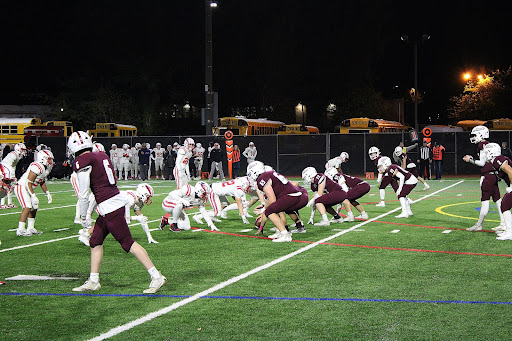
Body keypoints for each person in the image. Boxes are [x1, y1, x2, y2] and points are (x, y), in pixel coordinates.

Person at [67, 131, 166, 294]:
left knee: (128, 243)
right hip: (113, 201)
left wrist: (84, 216)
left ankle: (156, 276)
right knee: (95, 241)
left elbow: (84, 193)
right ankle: (93, 280)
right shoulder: (101, 155)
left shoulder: (83, 160)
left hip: (109, 206)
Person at [248, 162, 308, 242]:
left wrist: (264, 209)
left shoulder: (262, 178)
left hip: (291, 195)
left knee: (269, 211)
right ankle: (281, 231)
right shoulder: (270, 173)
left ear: (254, 172)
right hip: (293, 194)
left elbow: (272, 199)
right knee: (275, 209)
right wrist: (264, 205)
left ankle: (285, 234)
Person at [463, 126, 504, 231]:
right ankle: (503, 223)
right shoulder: (489, 144)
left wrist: (470, 160)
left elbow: (482, 163)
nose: (473, 137)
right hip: (494, 174)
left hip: (488, 176)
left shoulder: (482, 145)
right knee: (497, 200)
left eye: (475, 135)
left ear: (481, 134)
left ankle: (479, 224)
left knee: (485, 200)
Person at [14, 149, 54, 236]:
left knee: (34, 207)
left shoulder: (45, 168)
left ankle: (30, 228)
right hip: (22, 187)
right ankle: (20, 230)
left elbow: (41, 181)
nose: (50, 161)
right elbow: (28, 182)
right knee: (27, 206)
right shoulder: (37, 166)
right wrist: (33, 195)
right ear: (42, 158)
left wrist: (47, 193)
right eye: (49, 159)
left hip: (28, 188)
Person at [483, 143, 512, 240]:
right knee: (505, 205)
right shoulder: (496, 160)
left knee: (505, 205)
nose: (485, 154)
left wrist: (511, 186)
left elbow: (510, 171)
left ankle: (509, 232)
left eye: (486, 152)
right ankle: (509, 231)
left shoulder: (497, 160)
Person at [1, 143, 27, 209]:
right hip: (4, 168)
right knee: (5, 186)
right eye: (22, 150)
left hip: (9, 169)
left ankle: (9, 203)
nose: (23, 151)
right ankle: (2, 204)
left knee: (11, 187)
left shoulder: (19, 155)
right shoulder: (13, 154)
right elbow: (8, 165)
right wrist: (11, 175)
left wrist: (13, 174)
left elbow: (13, 166)